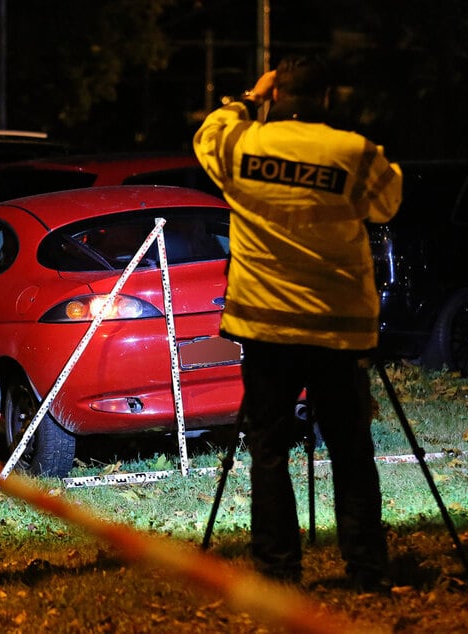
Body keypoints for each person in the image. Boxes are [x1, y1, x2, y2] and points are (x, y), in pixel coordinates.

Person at [193, 54, 402, 592]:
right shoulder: (353, 152)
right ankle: (366, 568)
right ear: (328, 98)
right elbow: (388, 203)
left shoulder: (244, 145)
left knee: (269, 449)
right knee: (351, 449)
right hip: (337, 329)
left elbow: (208, 135)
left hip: (265, 328)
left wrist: (245, 100)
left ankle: (277, 571)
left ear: (274, 97)